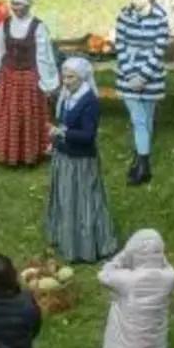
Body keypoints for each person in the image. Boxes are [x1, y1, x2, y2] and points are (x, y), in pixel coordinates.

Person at [45, 57, 117, 263]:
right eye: (64, 76)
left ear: (82, 77)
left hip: (80, 161)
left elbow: (87, 136)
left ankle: (88, 246)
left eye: (71, 77)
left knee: (84, 202)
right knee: (66, 199)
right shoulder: (68, 96)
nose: (66, 81)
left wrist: (62, 133)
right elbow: (63, 124)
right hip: (64, 156)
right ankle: (66, 239)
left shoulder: (89, 102)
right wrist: (55, 142)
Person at [0, 0, 60, 167]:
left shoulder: (38, 28)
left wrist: (48, 84)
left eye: (19, 4)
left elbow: (44, 56)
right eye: (13, 4)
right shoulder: (5, 24)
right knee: (6, 115)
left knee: (27, 115)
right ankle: (5, 152)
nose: (15, 8)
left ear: (28, 5)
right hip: (7, 77)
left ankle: (29, 153)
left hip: (29, 78)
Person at [114, 0, 170, 186]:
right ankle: (145, 166)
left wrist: (143, 76)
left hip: (151, 76)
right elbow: (120, 44)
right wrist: (130, 75)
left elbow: (158, 49)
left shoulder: (160, 17)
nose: (133, 1)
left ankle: (139, 160)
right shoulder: (124, 14)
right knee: (138, 120)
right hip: (128, 74)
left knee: (146, 120)